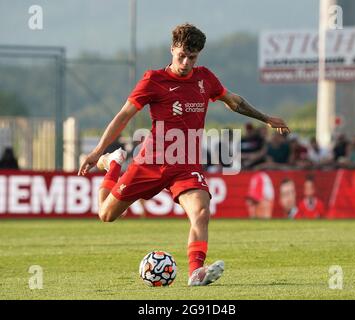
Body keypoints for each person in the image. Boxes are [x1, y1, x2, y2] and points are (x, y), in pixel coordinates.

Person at [78, 23, 290, 286]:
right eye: (182, 56)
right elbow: (123, 117)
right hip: (150, 163)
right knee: (106, 214)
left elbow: (234, 101)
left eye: (192, 57)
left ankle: (196, 272)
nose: (186, 62)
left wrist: (266, 118)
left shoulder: (205, 79)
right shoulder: (153, 80)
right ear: (172, 49)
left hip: (185, 164)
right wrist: (99, 152)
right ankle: (112, 164)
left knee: (201, 212)